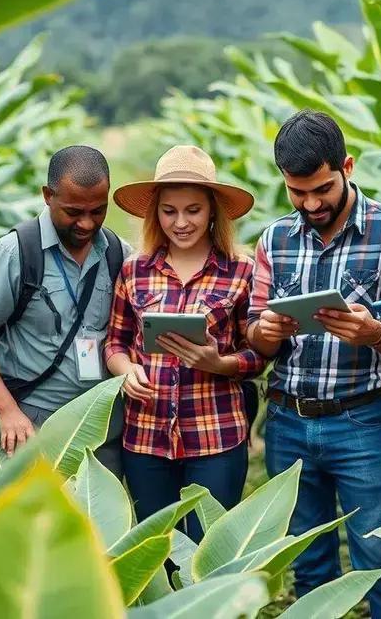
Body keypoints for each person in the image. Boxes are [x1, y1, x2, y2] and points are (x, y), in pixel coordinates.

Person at [246, 110, 381, 619]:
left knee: (379, 554)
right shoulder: (274, 240)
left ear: (348, 166)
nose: (312, 203)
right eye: (297, 192)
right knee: (307, 559)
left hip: (362, 417)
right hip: (287, 419)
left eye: (322, 189)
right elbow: (254, 333)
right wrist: (265, 333)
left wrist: (375, 334)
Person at [104, 145, 266, 541]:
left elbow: (259, 354)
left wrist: (220, 364)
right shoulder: (135, 270)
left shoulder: (241, 271)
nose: (180, 222)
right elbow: (115, 343)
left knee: (208, 547)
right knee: (157, 548)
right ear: (155, 214)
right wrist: (127, 371)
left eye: (193, 210)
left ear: (212, 211)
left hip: (216, 433)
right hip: (146, 435)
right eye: (169, 211)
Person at [0, 145, 130, 468]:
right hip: (31, 420)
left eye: (98, 211)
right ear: (48, 196)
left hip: (100, 423)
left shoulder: (118, 254)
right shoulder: (16, 253)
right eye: (73, 212)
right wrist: (7, 410)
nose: (86, 223)